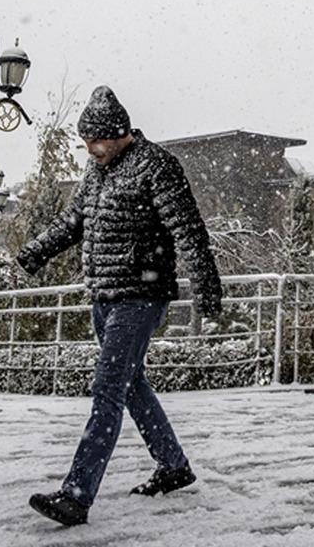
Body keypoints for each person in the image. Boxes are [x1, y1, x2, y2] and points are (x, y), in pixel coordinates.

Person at [18, 85, 223, 526]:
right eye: (86, 142)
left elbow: (188, 230)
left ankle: (77, 495)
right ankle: (173, 465)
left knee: (108, 388)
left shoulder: (157, 166)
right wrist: (37, 250)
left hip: (141, 295)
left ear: (120, 133)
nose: (91, 149)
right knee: (130, 385)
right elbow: (75, 221)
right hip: (104, 294)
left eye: (98, 141)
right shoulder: (96, 171)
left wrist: (206, 287)